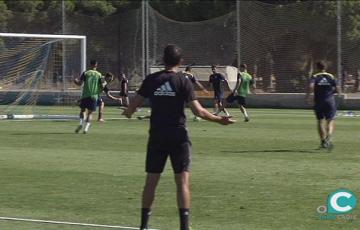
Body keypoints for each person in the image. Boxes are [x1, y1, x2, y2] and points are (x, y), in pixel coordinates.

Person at [122, 44, 234, 230]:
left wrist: (127, 112)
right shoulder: (183, 81)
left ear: (163, 60)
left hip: (157, 135)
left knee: (151, 181)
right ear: (180, 61)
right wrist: (218, 120)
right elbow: (198, 111)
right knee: (182, 181)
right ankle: (184, 226)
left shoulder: (151, 80)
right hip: (178, 135)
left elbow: (133, 105)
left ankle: (144, 226)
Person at [306, 61, 340, 150]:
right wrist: (336, 93)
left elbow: (311, 86)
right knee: (330, 120)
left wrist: (309, 96)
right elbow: (338, 88)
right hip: (330, 101)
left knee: (320, 121)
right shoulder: (331, 76)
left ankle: (323, 141)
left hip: (319, 101)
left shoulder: (315, 76)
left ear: (317, 68)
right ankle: (328, 137)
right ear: (325, 68)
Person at [74, 60, 103, 134]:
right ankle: (86, 128)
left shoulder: (86, 73)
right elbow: (102, 86)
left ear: (90, 65)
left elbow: (79, 83)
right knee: (90, 113)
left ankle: (80, 124)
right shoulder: (99, 74)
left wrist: (75, 81)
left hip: (85, 95)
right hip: (94, 96)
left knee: (82, 111)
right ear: (96, 65)